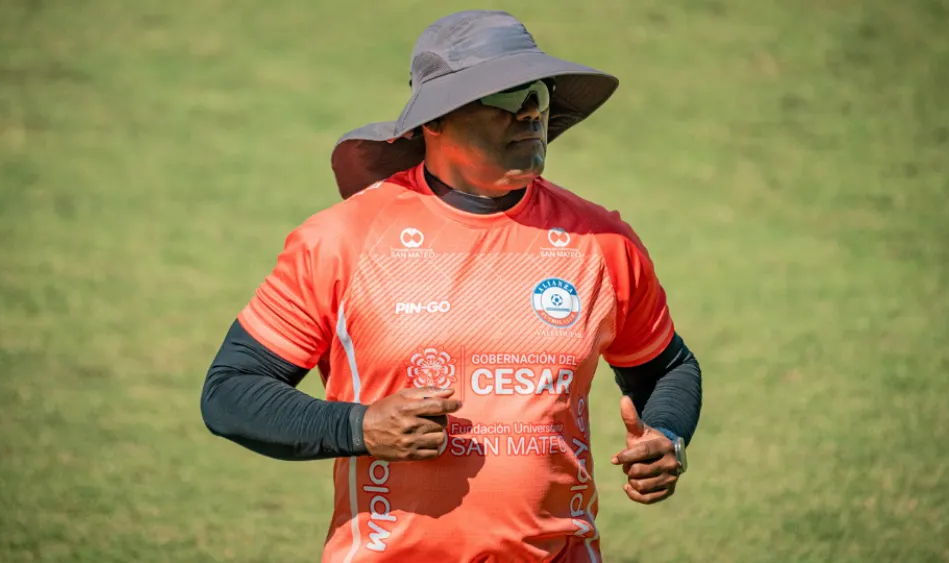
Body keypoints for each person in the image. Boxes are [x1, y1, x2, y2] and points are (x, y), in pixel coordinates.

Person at [201, 9, 702, 563]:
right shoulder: (342, 240)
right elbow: (231, 391)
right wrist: (359, 426)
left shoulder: (602, 241)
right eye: (510, 97)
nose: (533, 113)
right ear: (435, 120)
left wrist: (668, 435)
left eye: (538, 92)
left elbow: (666, 367)